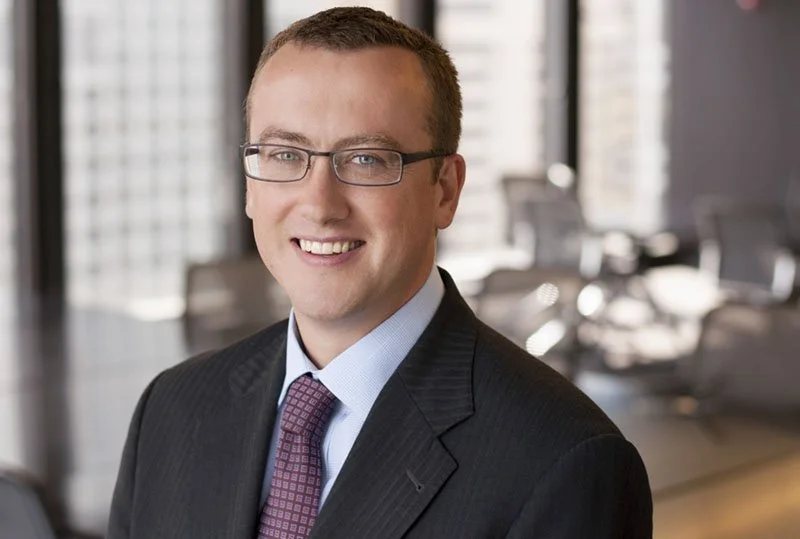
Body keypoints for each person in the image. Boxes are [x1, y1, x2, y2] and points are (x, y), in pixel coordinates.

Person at [108, 7, 652, 539]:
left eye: (367, 159)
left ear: (445, 189)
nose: (320, 205)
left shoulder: (565, 463)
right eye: (283, 154)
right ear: (251, 184)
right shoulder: (172, 409)